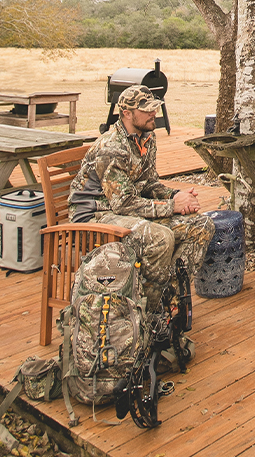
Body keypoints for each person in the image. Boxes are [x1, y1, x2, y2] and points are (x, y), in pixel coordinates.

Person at [69, 84, 215, 313]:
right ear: (127, 114)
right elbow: (123, 203)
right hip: (95, 216)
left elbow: (148, 183)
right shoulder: (111, 148)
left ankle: (168, 300)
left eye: (154, 108)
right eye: (146, 110)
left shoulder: (146, 138)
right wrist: (171, 206)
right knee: (161, 238)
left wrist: (176, 195)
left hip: (125, 211)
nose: (153, 113)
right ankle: (146, 314)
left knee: (202, 225)